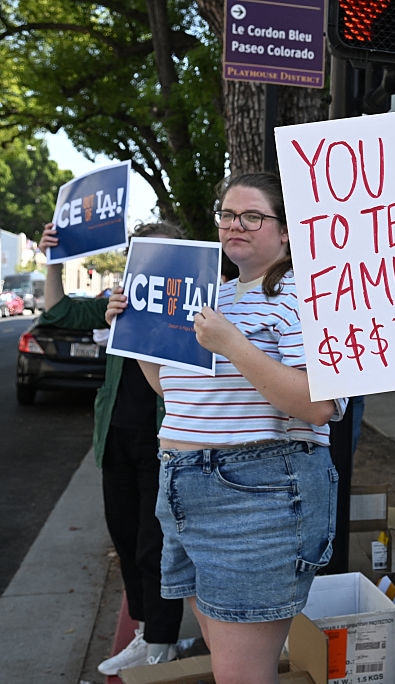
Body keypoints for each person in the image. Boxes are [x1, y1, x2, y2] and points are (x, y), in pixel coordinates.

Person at [106, 171, 343, 684]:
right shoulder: (214, 295)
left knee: (238, 674)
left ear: (286, 231)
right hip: (185, 490)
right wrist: (136, 330)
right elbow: (176, 393)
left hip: (255, 497)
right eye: (228, 214)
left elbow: (319, 405)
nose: (236, 224)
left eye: (253, 215)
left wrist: (234, 344)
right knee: (230, 662)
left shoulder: (306, 298)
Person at [38, 221, 186, 674]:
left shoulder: (191, 308)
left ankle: (162, 642)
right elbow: (58, 311)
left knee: (155, 545)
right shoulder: (116, 303)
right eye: (141, 254)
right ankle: (146, 632)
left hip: (164, 445)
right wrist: (54, 260)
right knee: (125, 538)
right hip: (116, 441)